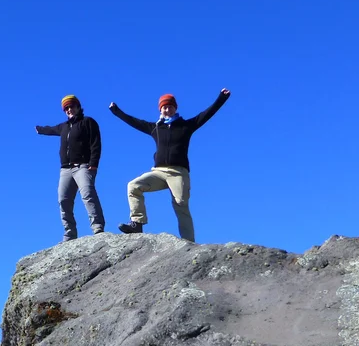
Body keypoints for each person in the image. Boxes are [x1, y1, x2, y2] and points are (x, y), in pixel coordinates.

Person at [109, 89, 231, 243]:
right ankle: (137, 224)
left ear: (175, 108)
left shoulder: (186, 126)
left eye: (169, 106)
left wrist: (222, 97)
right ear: (160, 109)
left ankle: (189, 242)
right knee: (133, 186)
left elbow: (207, 114)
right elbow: (134, 122)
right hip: (158, 172)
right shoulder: (155, 128)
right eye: (164, 107)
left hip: (178, 173)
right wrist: (116, 111)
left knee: (181, 205)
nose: (167, 110)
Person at [35, 95, 106, 241]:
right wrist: (40, 129)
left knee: (88, 195)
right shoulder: (64, 127)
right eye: (66, 108)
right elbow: (52, 129)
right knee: (63, 200)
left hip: (83, 166)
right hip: (65, 170)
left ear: (78, 107)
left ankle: (97, 227)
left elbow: (96, 143)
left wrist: (94, 164)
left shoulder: (88, 122)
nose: (69, 110)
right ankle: (70, 233)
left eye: (71, 106)